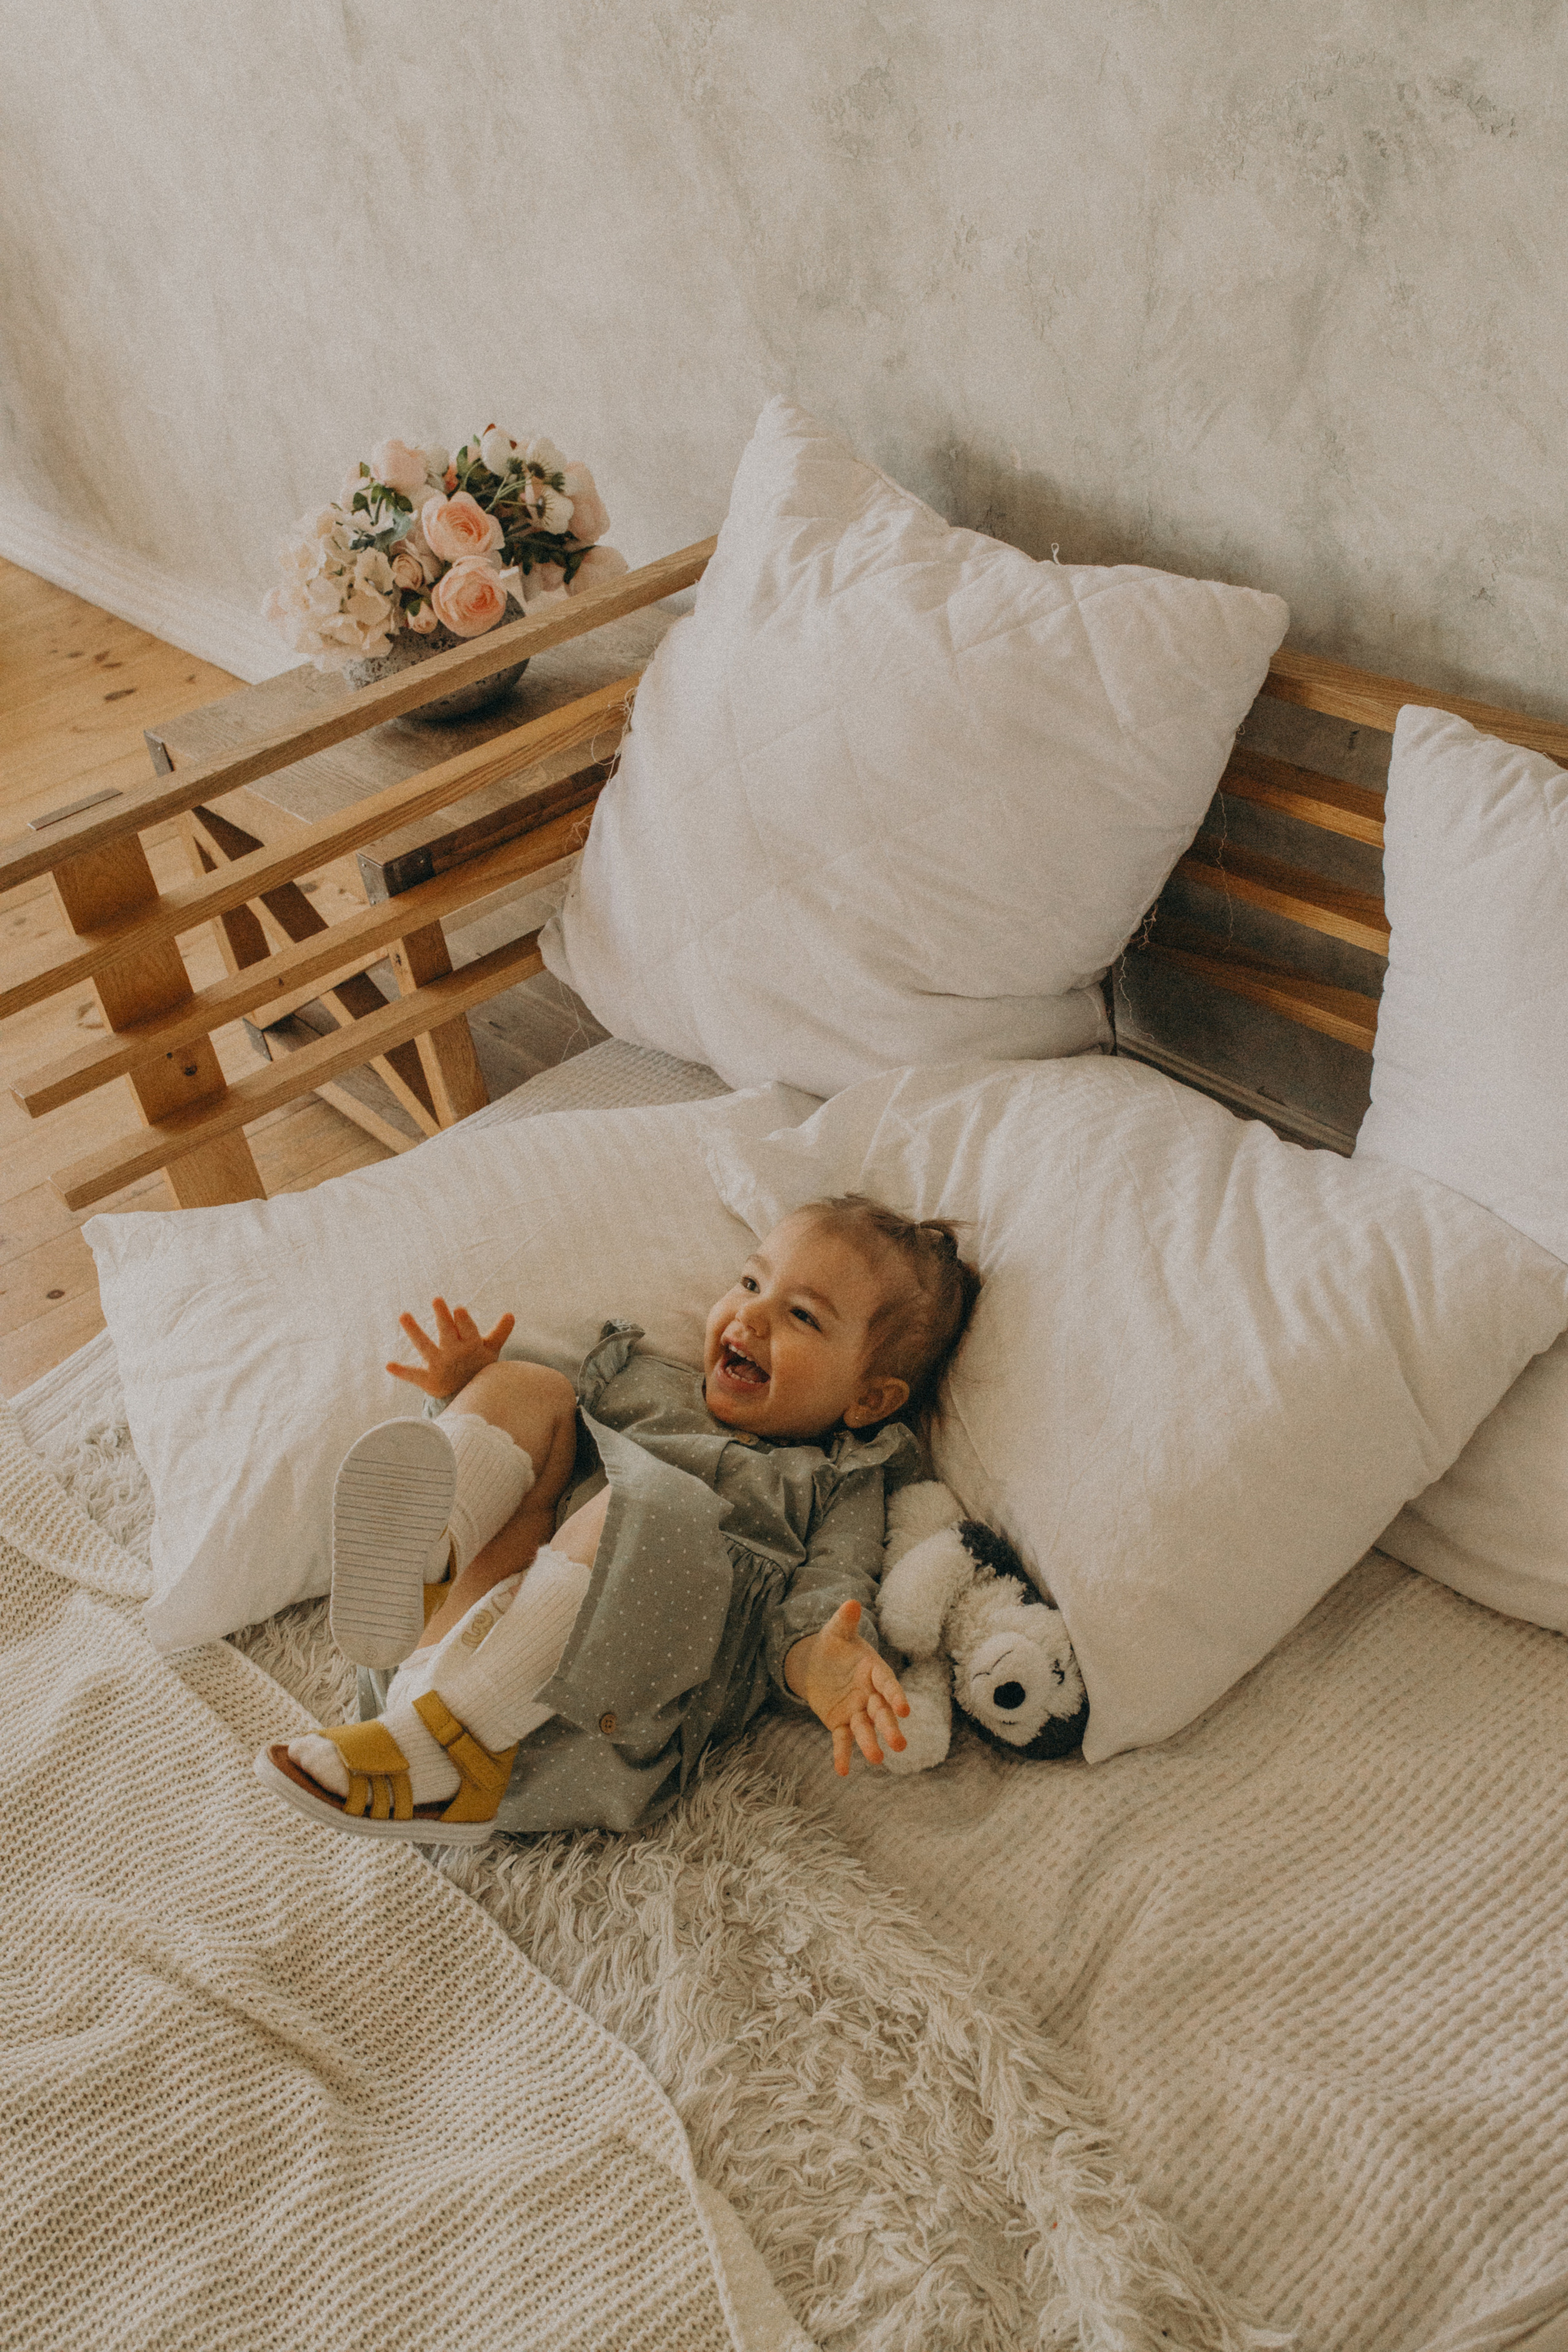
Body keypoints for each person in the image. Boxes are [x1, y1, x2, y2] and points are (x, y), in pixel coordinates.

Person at [255, 1196, 981, 1845]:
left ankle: (457, 1741)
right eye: (752, 1282)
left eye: (802, 1317)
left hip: (576, 1730)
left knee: (656, 1506)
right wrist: (467, 1393)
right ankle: (425, 1559)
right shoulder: (647, 1382)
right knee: (529, 1387)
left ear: (869, 1400)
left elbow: (824, 1599)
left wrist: (816, 1665)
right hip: (455, 1639)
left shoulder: (840, 1482)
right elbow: (538, 1477)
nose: (751, 1316)